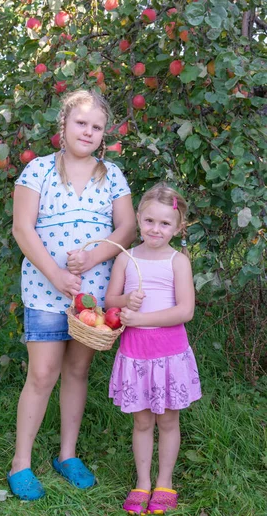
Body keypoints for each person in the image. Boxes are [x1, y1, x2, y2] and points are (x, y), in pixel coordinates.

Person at [8, 89, 136, 500]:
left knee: (77, 371)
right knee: (43, 373)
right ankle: (21, 463)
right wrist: (57, 275)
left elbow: (126, 229)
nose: (89, 131)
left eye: (97, 127)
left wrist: (95, 257)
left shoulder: (111, 174)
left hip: (93, 293)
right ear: (62, 126)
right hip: (45, 289)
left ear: (104, 135)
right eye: (81, 123)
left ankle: (67, 454)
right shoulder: (38, 171)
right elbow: (22, 229)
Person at [106, 183, 202, 515]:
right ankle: (143, 482)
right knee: (143, 423)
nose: (156, 230)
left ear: (178, 227)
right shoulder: (126, 258)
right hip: (136, 355)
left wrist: (142, 317)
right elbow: (110, 301)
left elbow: (184, 311)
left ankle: (164, 481)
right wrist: (124, 302)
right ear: (139, 219)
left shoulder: (178, 262)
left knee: (169, 421)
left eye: (164, 223)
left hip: (169, 354)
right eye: (149, 221)